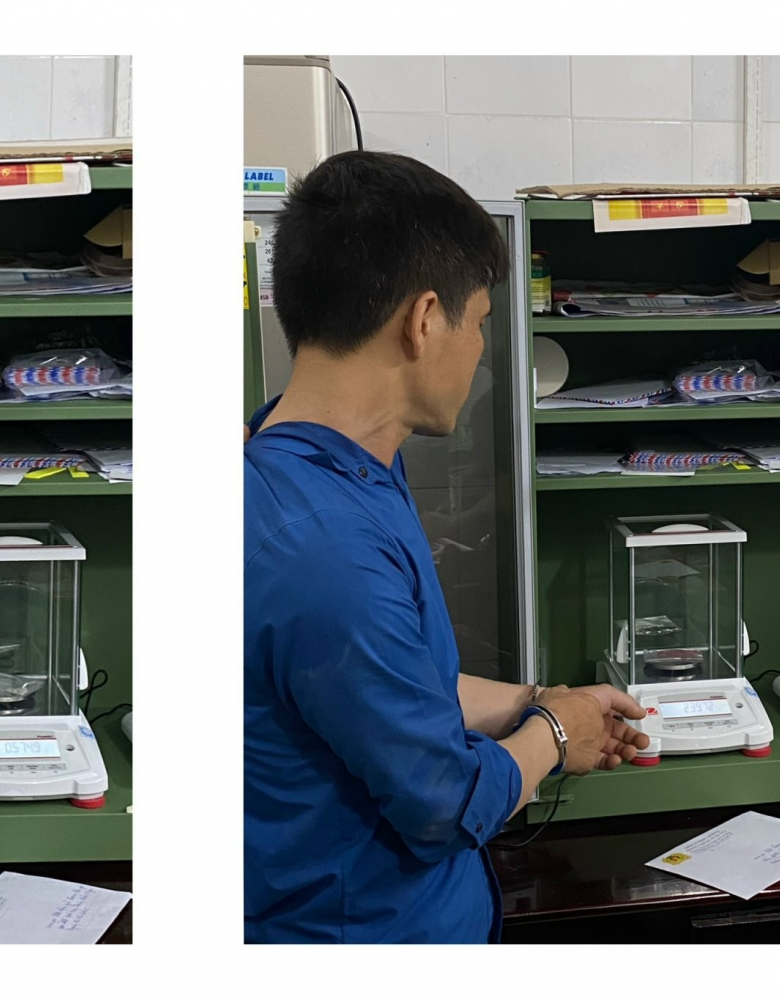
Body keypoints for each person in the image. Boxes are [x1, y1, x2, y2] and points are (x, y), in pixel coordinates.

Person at [243, 151, 650, 944]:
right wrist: (554, 736)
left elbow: (380, 682)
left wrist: (533, 700)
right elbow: (442, 804)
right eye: (482, 322)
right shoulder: (325, 550)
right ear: (425, 320)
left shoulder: (312, 466)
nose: (481, 350)